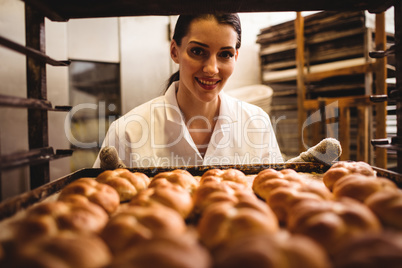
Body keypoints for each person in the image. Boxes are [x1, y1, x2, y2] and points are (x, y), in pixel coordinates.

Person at [93, 13, 283, 168]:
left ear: (236, 57)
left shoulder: (257, 125)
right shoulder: (127, 132)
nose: (211, 69)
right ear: (175, 51)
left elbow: (277, 195)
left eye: (225, 54)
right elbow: (100, 204)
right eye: (198, 51)